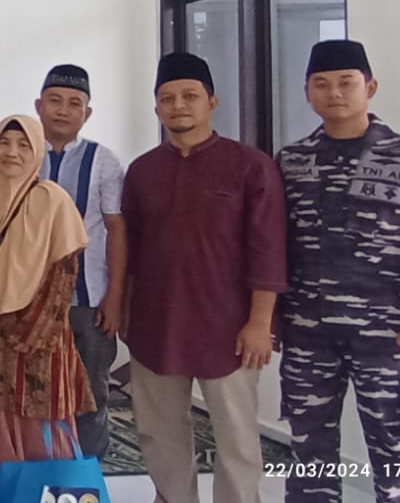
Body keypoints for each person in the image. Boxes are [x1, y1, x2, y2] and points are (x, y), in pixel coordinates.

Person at [275, 40, 400, 503]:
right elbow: (274, 244)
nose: (334, 92)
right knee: (308, 448)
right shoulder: (291, 161)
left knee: (396, 449)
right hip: (308, 329)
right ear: (307, 92)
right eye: (321, 84)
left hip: (387, 332)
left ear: (370, 87)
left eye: (346, 82)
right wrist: (271, 316)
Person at [123, 52, 286, 503]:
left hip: (230, 328)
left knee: (237, 439)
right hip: (157, 325)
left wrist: (260, 323)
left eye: (190, 96)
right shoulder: (142, 171)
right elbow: (129, 249)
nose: (178, 105)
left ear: (212, 102)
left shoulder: (249, 166)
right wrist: (127, 312)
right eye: (167, 98)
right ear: (156, 107)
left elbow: (268, 249)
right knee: (159, 433)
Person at [0, 115, 92, 481]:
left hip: (40, 338)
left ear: (36, 152)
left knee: (43, 426)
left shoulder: (52, 200)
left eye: (23, 145)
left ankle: (50, 493)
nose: (12, 152)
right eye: (4, 142)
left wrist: (30, 330)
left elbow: (64, 274)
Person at [32, 65, 126, 460]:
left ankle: (86, 475)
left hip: (88, 300)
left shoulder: (103, 161)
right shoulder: (20, 153)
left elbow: (117, 229)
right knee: (33, 393)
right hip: (29, 302)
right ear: (38, 106)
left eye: (74, 104)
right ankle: (36, 474)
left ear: (87, 113)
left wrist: (115, 298)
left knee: (89, 394)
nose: (63, 110)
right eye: (54, 100)